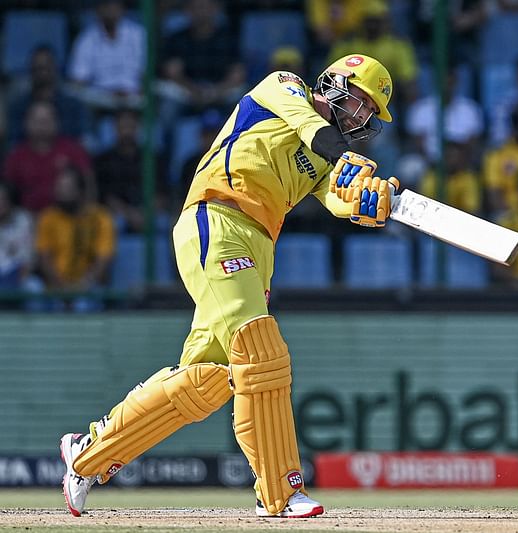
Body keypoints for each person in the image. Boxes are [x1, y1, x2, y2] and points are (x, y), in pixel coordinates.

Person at [59, 54, 399, 519]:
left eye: (370, 116)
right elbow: (313, 129)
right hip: (215, 221)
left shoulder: (323, 158)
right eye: (363, 105)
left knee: (207, 380)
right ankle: (280, 491)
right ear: (336, 85)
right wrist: (345, 157)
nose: (364, 120)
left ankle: (87, 454)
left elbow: (336, 199)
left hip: (260, 247)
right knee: (261, 348)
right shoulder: (284, 87)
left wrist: (367, 202)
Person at [34, 165, 115, 308]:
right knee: (36, 292)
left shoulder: (100, 218)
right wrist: (61, 288)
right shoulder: (48, 218)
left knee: (83, 305)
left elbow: (103, 259)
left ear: (80, 191)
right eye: (58, 187)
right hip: (55, 286)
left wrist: (83, 286)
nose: (60, 192)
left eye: (67, 188)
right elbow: (44, 259)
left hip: (89, 286)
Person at [3, 101, 94, 212]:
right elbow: (6, 193)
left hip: (67, 218)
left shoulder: (73, 150)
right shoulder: (16, 156)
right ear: (26, 123)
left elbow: (88, 183)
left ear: (57, 122)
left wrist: (86, 212)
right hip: (27, 220)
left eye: (46, 120)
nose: (41, 125)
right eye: (37, 121)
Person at [67, 0, 146, 109]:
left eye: (114, 4)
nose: (110, 10)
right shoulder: (86, 39)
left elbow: (145, 74)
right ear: (98, 9)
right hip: (100, 102)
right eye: (106, 5)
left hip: (133, 99)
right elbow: (78, 81)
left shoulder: (138, 34)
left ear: (122, 8)